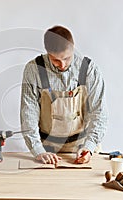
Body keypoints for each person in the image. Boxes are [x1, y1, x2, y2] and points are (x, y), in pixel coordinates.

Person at [20, 25, 108, 164]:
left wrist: (89, 147)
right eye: (55, 60)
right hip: (47, 149)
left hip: (82, 147)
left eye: (66, 58)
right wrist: (38, 150)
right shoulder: (34, 69)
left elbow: (99, 112)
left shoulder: (88, 69)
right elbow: (28, 114)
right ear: (47, 52)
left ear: (73, 48)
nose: (62, 65)